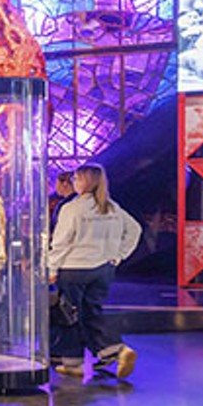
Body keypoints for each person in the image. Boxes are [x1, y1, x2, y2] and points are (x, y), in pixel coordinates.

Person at [48, 162, 143, 379]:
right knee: (91, 312)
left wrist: (51, 268)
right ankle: (116, 350)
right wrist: (119, 255)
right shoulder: (112, 207)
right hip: (103, 269)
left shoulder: (72, 209)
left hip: (73, 269)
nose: (74, 182)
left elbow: (61, 242)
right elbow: (135, 230)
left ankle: (74, 362)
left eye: (77, 178)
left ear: (84, 182)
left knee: (68, 315)